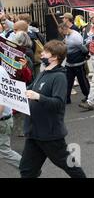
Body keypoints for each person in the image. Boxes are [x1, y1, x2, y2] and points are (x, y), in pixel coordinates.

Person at [20, 40, 86, 178]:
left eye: (45, 52)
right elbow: (29, 89)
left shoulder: (59, 77)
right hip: (34, 132)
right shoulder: (44, 72)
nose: (42, 53)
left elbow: (58, 104)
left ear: (55, 57)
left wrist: (38, 96)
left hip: (50, 134)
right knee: (26, 170)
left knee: (70, 166)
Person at [60, 23, 90, 104]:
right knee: (68, 81)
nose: (62, 34)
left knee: (82, 81)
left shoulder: (76, 37)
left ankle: (88, 96)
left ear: (65, 29)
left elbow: (84, 49)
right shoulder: (67, 35)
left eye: (62, 32)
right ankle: (67, 98)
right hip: (69, 62)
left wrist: (84, 56)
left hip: (78, 62)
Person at [0, 67, 22, 169]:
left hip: (2, 120)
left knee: (5, 152)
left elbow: (1, 102)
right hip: (4, 118)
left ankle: (28, 169)